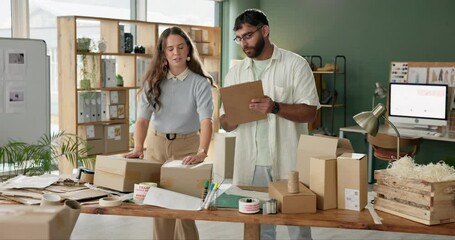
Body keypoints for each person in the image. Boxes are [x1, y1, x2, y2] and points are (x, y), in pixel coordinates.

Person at [220, 9, 320, 240]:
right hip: (251, 165)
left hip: (289, 162)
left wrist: (275, 107)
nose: (243, 43)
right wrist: (232, 118)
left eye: (248, 35)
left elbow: (310, 113)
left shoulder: (296, 64)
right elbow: (225, 123)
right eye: (239, 38)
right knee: (259, 228)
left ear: (264, 31)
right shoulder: (236, 73)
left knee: (298, 227)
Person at [124, 26, 215, 240]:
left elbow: (206, 120)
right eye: (170, 49)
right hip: (156, 145)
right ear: (163, 54)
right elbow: (143, 120)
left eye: (180, 47)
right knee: (159, 206)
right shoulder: (153, 82)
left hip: (187, 147)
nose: (176, 53)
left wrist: (202, 152)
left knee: (186, 207)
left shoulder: (200, 83)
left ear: (188, 51)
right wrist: (138, 148)